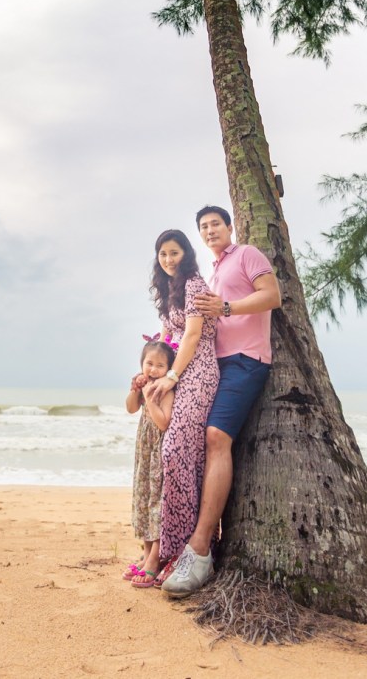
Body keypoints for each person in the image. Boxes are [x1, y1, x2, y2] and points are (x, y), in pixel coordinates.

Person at [158, 205, 281, 598]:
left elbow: (273, 296)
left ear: (230, 226)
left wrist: (226, 307)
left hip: (245, 359)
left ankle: (200, 549)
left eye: (215, 224)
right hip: (212, 366)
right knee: (190, 443)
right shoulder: (207, 274)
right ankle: (176, 544)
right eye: (203, 227)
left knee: (215, 438)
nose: (210, 230)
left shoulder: (247, 254)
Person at [143, 229, 220, 583]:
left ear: (185, 253)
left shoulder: (192, 284)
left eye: (174, 252)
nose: (168, 259)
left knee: (176, 450)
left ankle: (179, 550)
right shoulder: (168, 290)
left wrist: (171, 377)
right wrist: (150, 372)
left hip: (199, 370)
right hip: (176, 370)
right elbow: (165, 338)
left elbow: (190, 335)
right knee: (177, 452)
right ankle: (167, 550)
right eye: (163, 254)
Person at [123, 339, 176, 588]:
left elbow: (163, 423)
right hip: (143, 454)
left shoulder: (165, 390)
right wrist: (136, 390)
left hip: (157, 453)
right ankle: (146, 556)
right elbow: (131, 408)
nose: (153, 370)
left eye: (160, 365)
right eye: (149, 363)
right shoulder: (144, 386)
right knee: (144, 500)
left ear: (169, 368)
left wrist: (150, 398)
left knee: (156, 501)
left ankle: (155, 558)